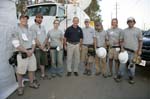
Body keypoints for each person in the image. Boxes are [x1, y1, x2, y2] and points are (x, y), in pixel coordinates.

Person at [12, 15, 39, 96]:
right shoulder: (16, 30)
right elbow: (16, 44)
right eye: (23, 18)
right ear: (19, 19)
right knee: (20, 72)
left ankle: (31, 83)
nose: (25, 20)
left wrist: (32, 50)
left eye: (26, 18)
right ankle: (20, 87)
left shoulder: (30, 30)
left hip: (31, 52)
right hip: (22, 54)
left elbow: (34, 42)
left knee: (32, 69)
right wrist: (27, 52)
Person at [114, 17, 143, 84]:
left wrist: (140, 50)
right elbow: (121, 40)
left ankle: (131, 78)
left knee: (132, 66)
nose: (130, 23)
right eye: (129, 21)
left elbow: (140, 41)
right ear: (127, 23)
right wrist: (122, 48)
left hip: (134, 52)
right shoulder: (124, 31)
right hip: (125, 51)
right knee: (122, 65)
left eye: (131, 21)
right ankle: (120, 76)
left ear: (134, 22)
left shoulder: (138, 30)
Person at [30, 13, 48, 79]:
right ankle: (33, 78)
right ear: (35, 18)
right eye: (38, 18)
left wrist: (44, 45)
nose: (40, 19)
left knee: (42, 62)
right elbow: (35, 38)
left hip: (43, 47)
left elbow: (46, 37)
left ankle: (43, 74)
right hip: (37, 48)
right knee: (35, 63)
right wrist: (41, 47)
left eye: (41, 18)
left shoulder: (43, 27)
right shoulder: (32, 27)